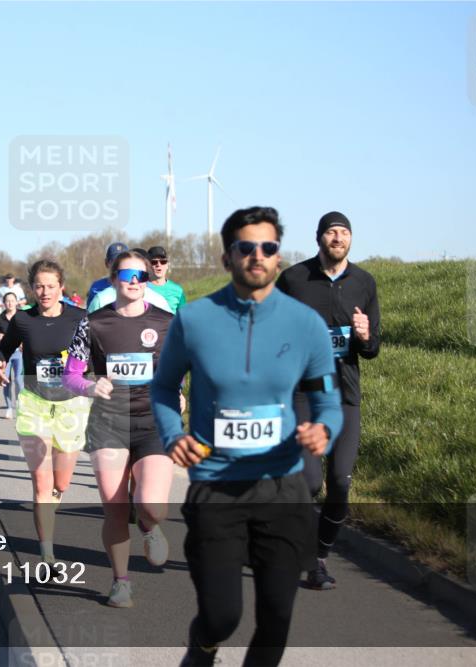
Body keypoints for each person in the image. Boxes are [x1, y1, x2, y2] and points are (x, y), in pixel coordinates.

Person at [152, 206, 343, 667]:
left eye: (269, 247)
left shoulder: (305, 325)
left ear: (279, 257)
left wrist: (323, 431)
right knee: (221, 616)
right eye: (246, 247)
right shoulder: (194, 320)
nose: (258, 256)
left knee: (276, 617)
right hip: (216, 487)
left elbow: (328, 403)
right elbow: (162, 386)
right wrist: (172, 434)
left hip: (282, 488)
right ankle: (201, 649)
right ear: (227, 257)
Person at [62, 249, 175, 608]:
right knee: (114, 507)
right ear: (113, 281)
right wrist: (91, 386)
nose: (135, 282)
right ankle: (120, 581)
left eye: (141, 275)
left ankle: (149, 525)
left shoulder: (167, 322)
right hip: (108, 423)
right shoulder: (92, 323)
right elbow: (71, 376)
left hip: (153, 422)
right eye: (127, 276)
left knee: (152, 506)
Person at [276, 211, 381, 590]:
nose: (338, 237)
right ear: (319, 237)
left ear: (350, 240)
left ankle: (317, 559)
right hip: (303, 394)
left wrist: (366, 335)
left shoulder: (364, 282)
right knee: (308, 481)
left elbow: (371, 349)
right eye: (332, 232)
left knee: (339, 482)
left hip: (345, 395)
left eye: (344, 232)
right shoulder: (294, 279)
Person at [0, 259, 90, 564]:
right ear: (31, 288)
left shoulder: (80, 317)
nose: (45, 292)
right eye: (39, 286)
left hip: (70, 407)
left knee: (60, 484)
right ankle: (47, 557)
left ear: (61, 287)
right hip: (34, 405)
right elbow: (5, 347)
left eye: (50, 286)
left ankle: (53, 499)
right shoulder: (23, 320)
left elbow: (98, 351)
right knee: (41, 481)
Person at [0, 291, 23, 418]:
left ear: (16, 302)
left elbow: (29, 332)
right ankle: (9, 407)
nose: (10, 303)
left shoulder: (23, 316)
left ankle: (20, 406)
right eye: (7, 301)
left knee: (20, 382)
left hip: (20, 353)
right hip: (5, 355)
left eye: (12, 300)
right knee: (6, 381)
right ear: (4, 303)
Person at [145, 245, 187, 313]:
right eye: (154, 262)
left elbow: (183, 317)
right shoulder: (141, 288)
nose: (158, 265)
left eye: (163, 262)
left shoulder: (178, 290)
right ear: (147, 265)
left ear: (167, 265)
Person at [86, 242, 128, 306]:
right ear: (106, 263)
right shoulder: (96, 287)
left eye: (123, 261)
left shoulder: (136, 287)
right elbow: (90, 313)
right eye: (115, 262)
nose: (119, 265)